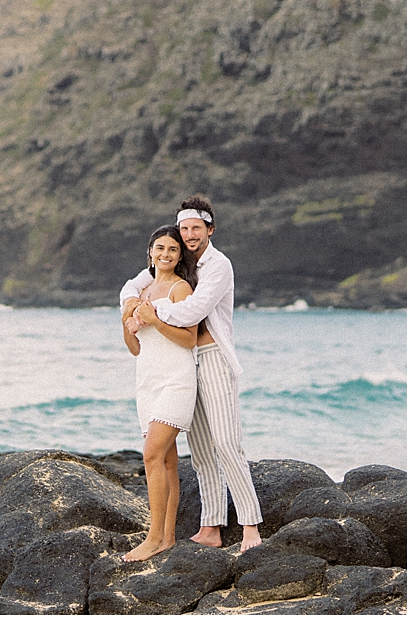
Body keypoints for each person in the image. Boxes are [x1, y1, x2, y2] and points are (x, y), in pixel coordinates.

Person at [120, 195, 263, 551]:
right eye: (184, 228)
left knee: (227, 442)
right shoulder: (180, 262)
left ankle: (250, 527)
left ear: (210, 230)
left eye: (195, 228)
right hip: (184, 362)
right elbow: (133, 285)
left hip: (211, 354)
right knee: (199, 450)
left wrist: (151, 314)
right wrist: (129, 306)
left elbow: (193, 311)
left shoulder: (218, 266)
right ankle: (211, 526)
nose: (189, 234)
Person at [120, 225, 198, 561]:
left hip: (176, 379)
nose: (165, 255)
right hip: (147, 381)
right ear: (149, 252)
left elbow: (189, 339)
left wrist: (155, 318)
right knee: (166, 462)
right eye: (159, 248)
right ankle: (167, 538)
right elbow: (135, 348)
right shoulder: (143, 291)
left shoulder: (181, 289)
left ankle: (152, 539)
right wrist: (128, 322)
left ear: (180, 256)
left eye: (172, 250)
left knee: (151, 454)